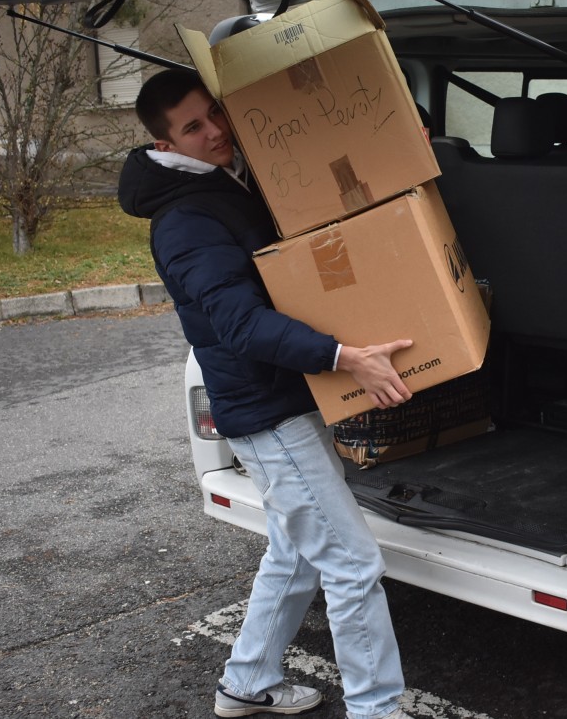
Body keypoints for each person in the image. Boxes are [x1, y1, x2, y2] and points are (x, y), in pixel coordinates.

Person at [119, 67, 416, 719]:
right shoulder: (185, 220)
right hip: (266, 413)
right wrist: (345, 358)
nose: (214, 130)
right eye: (193, 127)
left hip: (282, 398)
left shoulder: (223, 181)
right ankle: (377, 709)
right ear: (165, 145)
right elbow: (241, 324)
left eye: (214, 113)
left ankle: (247, 680)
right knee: (351, 563)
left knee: (296, 550)